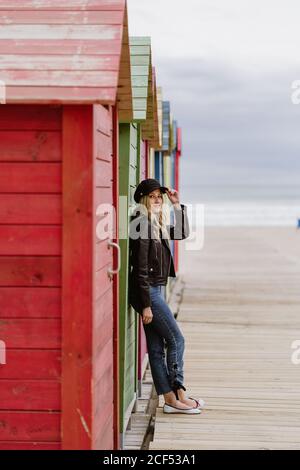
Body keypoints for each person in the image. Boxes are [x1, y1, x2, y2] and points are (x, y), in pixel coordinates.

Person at [129, 178, 205, 414]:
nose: (157, 200)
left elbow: (182, 232)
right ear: (143, 199)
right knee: (176, 339)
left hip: (154, 289)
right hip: (148, 291)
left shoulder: (154, 223)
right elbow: (140, 269)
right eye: (152, 197)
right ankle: (179, 391)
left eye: (159, 197)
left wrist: (176, 205)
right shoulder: (141, 223)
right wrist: (146, 305)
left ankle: (170, 400)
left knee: (156, 347)